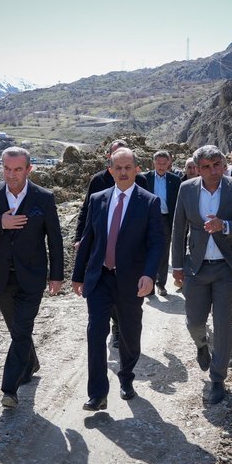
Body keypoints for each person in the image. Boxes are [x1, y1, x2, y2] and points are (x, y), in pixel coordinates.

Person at [0, 147, 64, 408]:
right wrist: (0, 222)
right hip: (0, 278)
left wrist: (57, 275)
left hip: (32, 277)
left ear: (29, 169)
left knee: (22, 330)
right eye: (7, 169)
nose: (11, 175)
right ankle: (30, 362)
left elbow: (55, 240)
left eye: (17, 170)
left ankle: (10, 389)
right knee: (17, 330)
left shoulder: (43, 198)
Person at [72, 148, 164, 411]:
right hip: (100, 278)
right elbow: (88, 239)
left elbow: (156, 243)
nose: (123, 172)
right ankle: (98, 393)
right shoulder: (98, 198)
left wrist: (149, 274)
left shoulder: (149, 202)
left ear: (137, 169)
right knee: (95, 333)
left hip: (131, 281)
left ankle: (126, 377)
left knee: (129, 334)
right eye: (117, 167)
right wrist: (78, 275)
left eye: (128, 167)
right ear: (109, 170)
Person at [171, 146, 232, 405]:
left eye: (217, 164)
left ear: (224, 163)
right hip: (196, 267)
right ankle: (201, 345)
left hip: (227, 267)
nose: (213, 170)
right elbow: (179, 227)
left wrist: (224, 225)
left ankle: (218, 378)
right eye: (206, 166)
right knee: (194, 321)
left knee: (224, 322)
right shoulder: (187, 189)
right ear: (198, 168)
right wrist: (177, 266)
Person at [74, 140, 149, 348]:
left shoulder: (140, 181)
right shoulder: (98, 181)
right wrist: (79, 238)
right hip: (101, 248)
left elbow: (146, 214)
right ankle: (109, 328)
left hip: (128, 251)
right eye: (116, 160)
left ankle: (119, 329)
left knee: (124, 297)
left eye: (126, 162)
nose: (122, 169)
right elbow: (85, 212)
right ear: (110, 161)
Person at [139, 150, 181, 297]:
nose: (161, 166)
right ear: (153, 163)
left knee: (163, 252)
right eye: (159, 163)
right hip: (148, 219)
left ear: (169, 163)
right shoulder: (144, 178)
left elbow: (178, 203)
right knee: (145, 250)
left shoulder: (175, 180)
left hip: (166, 219)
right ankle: (147, 284)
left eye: (164, 163)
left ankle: (161, 284)